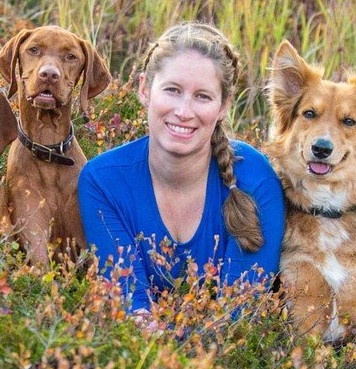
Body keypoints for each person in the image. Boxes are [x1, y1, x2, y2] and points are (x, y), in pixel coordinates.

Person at [77, 23, 284, 322]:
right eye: (172, 90)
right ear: (144, 90)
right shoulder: (103, 181)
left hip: (223, 361)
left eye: (203, 96)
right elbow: (129, 303)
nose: (184, 111)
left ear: (224, 105)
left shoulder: (254, 178)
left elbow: (238, 315)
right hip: (141, 357)